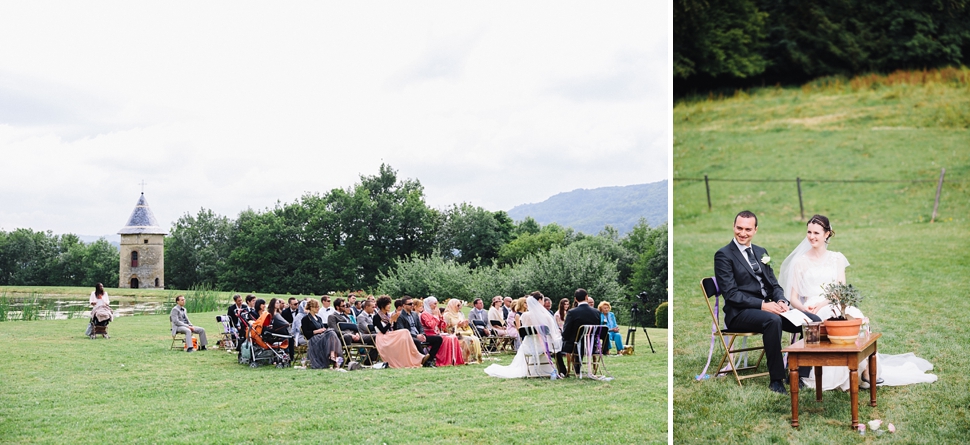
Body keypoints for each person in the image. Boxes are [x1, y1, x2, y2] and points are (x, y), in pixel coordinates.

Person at [778, 214, 937, 390]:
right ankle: (835, 373)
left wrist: (822, 304)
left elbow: (840, 290)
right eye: (809, 232)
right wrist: (805, 308)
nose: (812, 236)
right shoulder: (800, 261)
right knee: (828, 318)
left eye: (816, 232)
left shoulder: (836, 258)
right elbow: (793, 298)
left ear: (827, 234)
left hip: (832, 302)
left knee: (856, 315)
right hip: (809, 309)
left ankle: (866, 370)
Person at [715, 210, 821, 395]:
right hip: (740, 313)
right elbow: (731, 295)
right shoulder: (723, 255)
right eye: (739, 228)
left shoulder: (760, 251)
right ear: (733, 227)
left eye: (748, 229)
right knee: (773, 321)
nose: (742, 233)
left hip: (770, 308)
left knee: (813, 322)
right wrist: (763, 305)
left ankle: (798, 374)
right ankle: (776, 380)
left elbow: (773, 284)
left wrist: (780, 299)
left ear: (755, 230)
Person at [486, 292, 562, 378]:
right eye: (543, 300)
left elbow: (525, 331)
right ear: (540, 300)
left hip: (529, 346)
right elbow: (551, 333)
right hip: (545, 346)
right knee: (558, 341)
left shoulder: (525, 316)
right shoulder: (546, 316)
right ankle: (560, 369)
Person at [555, 289, 603, 376]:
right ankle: (579, 368)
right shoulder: (597, 312)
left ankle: (566, 371)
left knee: (557, 345)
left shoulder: (572, 312)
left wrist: (564, 337)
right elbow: (598, 330)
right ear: (587, 297)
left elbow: (566, 331)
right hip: (591, 345)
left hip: (574, 346)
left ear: (575, 299)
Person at [395, 296, 442, 367]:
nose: (412, 305)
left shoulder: (414, 314)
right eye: (410, 304)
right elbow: (402, 330)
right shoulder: (400, 316)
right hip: (409, 337)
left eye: (412, 303)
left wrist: (422, 334)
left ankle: (429, 360)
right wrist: (416, 336)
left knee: (438, 339)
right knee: (416, 341)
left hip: (419, 335)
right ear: (404, 305)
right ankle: (424, 359)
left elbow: (420, 327)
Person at [328, 298, 378, 364]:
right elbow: (335, 330)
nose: (345, 307)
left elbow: (354, 328)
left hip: (355, 335)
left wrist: (357, 333)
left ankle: (369, 360)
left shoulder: (347, 316)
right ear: (337, 307)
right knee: (347, 336)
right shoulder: (332, 316)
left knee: (376, 336)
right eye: (343, 306)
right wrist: (351, 335)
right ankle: (347, 360)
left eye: (345, 305)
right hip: (342, 337)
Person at [420, 297, 465, 366]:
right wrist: (435, 316)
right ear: (429, 304)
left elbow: (443, 326)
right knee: (447, 339)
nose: (436, 306)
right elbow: (431, 325)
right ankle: (441, 359)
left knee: (453, 337)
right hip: (428, 334)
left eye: (436, 304)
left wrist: (441, 318)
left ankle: (452, 360)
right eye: (434, 304)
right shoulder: (424, 314)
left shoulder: (434, 313)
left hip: (437, 333)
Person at [300, 299, 343, 370]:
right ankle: (333, 357)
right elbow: (306, 333)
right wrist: (317, 331)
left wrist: (323, 330)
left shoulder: (319, 318)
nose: (318, 308)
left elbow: (322, 328)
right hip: (313, 339)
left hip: (322, 337)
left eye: (318, 307)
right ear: (311, 308)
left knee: (331, 332)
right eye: (316, 307)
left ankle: (333, 355)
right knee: (331, 332)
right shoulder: (305, 319)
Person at [443, 299, 482, 364]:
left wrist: (465, 325)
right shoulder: (447, 315)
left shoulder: (459, 314)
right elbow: (445, 329)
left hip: (463, 332)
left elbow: (463, 326)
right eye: (457, 305)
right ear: (452, 305)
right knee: (468, 339)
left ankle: (474, 358)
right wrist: (457, 326)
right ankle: (465, 358)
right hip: (454, 334)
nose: (459, 307)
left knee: (475, 339)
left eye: (460, 305)